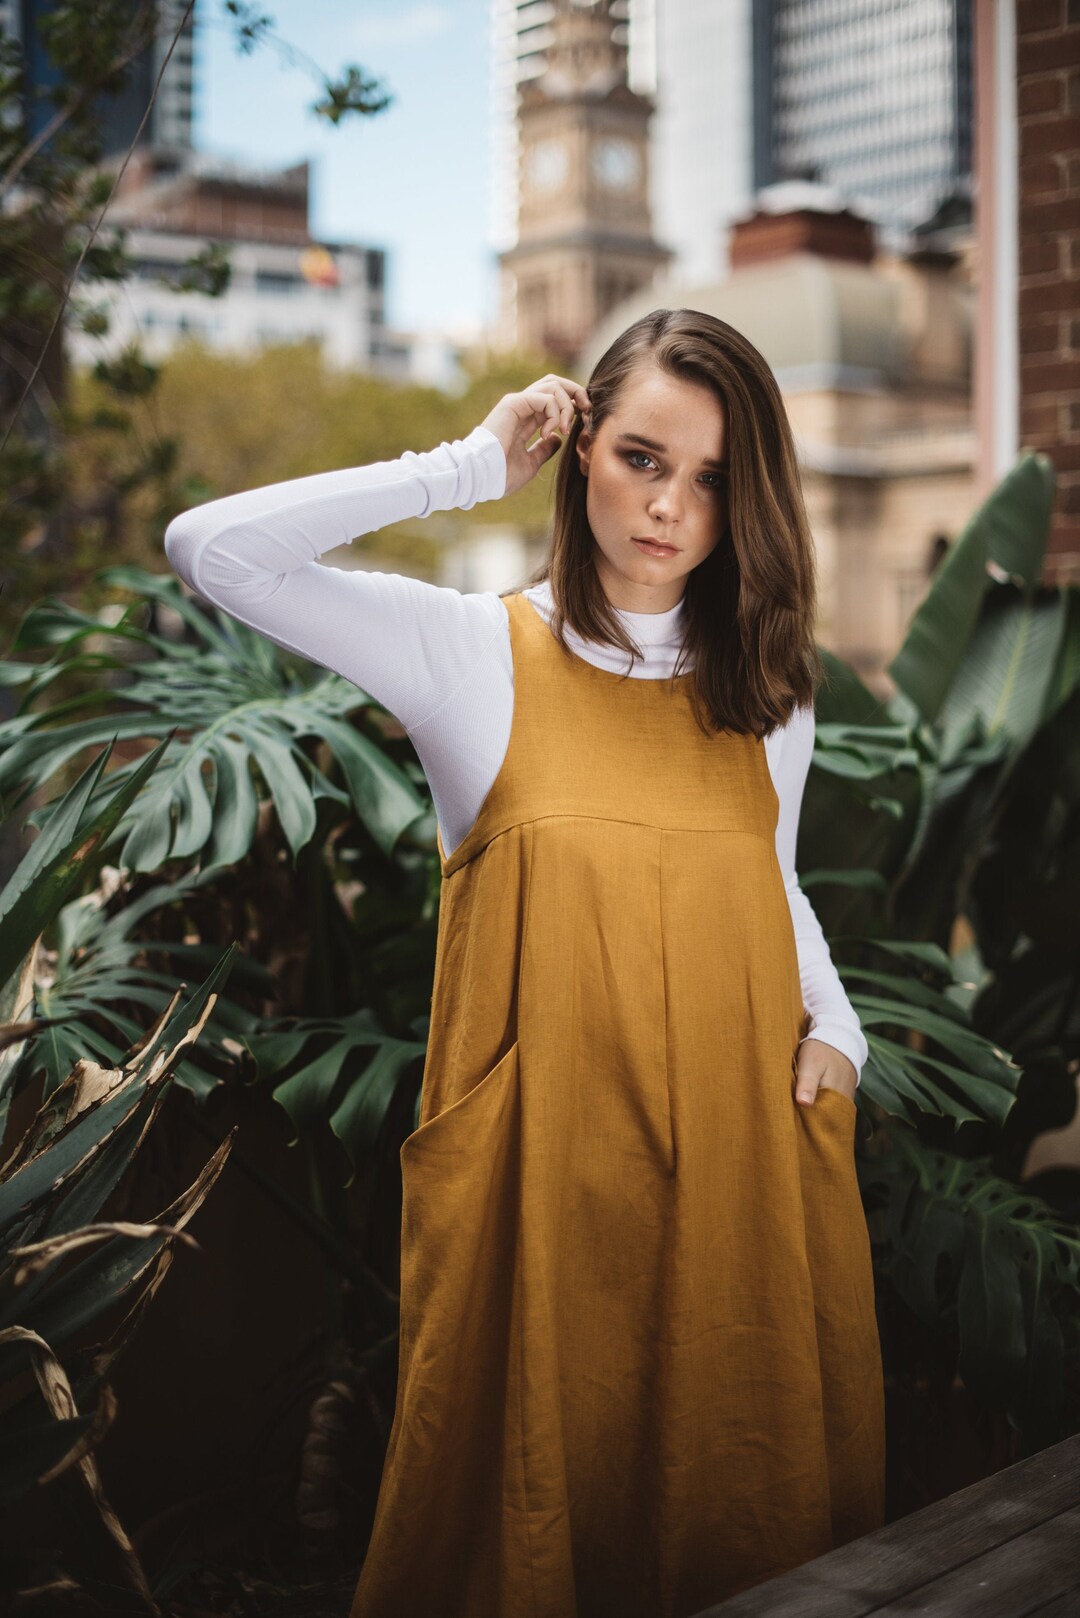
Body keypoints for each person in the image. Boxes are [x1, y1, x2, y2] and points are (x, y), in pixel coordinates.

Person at [164, 307, 886, 1618]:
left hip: (740, 1154)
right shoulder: (469, 651)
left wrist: (840, 1031)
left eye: (716, 478)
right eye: (643, 458)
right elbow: (212, 549)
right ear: (581, 448)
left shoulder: (769, 688)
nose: (672, 506)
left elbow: (769, 878)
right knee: (536, 1518)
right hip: (545, 1175)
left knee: (740, 1500)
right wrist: (463, 468)